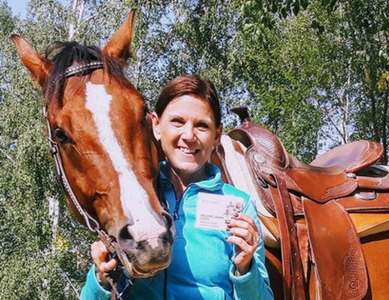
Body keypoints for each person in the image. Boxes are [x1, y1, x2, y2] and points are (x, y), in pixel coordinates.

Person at [80, 74, 274, 300]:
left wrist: (245, 268)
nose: (189, 136)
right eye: (177, 122)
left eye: (202, 126)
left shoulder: (239, 205)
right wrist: (100, 279)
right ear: (156, 125)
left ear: (217, 136)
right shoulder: (135, 198)